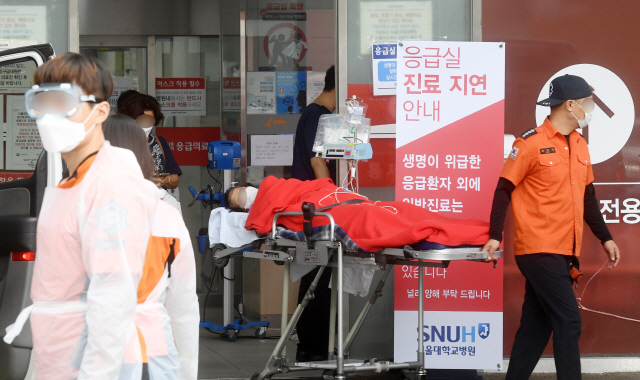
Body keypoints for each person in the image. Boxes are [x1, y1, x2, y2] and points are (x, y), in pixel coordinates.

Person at [3, 53, 158, 379]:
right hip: (61, 349)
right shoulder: (70, 182)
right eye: (40, 101)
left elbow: (115, 294)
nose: (47, 115)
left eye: (63, 103)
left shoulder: (110, 183)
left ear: (101, 111)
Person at [483, 74, 621, 380]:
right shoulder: (529, 143)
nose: (590, 109)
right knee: (569, 320)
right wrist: (495, 235)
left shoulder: (580, 145)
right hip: (537, 249)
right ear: (571, 105)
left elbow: (588, 199)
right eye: (588, 103)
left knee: (536, 325)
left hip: (563, 251)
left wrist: (606, 238)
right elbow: (503, 189)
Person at [103, 115, 200, 379]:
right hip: (151, 351)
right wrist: (187, 372)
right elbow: (183, 309)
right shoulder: (166, 216)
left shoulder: (73, 212)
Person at [290, 65, 336, 362]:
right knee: (316, 277)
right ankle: (311, 345)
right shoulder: (316, 116)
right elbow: (318, 162)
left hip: (316, 204)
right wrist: (334, 196)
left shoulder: (315, 114)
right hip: (316, 206)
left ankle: (315, 344)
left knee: (319, 276)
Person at [118, 93, 182, 209]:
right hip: (131, 206)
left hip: (160, 206)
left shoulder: (160, 142)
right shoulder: (119, 144)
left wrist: (164, 180)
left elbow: (175, 179)